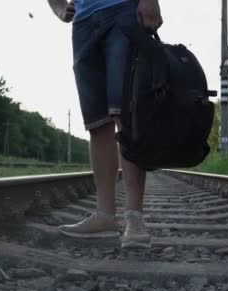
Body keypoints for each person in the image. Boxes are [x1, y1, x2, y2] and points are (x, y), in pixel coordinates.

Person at [47, 0, 163, 248]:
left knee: (127, 116)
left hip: (123, 10)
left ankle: (134, 219)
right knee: (97, 123)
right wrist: (58, 7)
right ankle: (105, 216)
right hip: (83, 23)